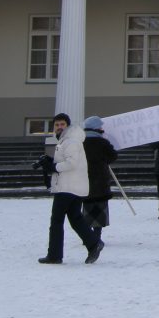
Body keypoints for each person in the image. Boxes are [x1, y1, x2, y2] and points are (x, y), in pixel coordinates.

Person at [37, 112, 105, 264]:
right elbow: (67, 161)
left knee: (56, 220)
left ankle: (54, 255)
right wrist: (49, 161)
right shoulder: (66, 141)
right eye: (57, 125)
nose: (59, 127)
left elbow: (71, 163)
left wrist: (53, 166)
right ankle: (94, 244)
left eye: (62, 124)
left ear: (68, 126)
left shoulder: (71, 141)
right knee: (75, 218)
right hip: (73, 186)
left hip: (67, 187)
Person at [81, 115, 118, 243]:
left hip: (84, 179)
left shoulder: (81, 142)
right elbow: (113, 156)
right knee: (99, 208)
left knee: (87, 207)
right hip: (100, 180)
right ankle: (96, 235)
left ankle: (87, 235)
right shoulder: (102, 142)